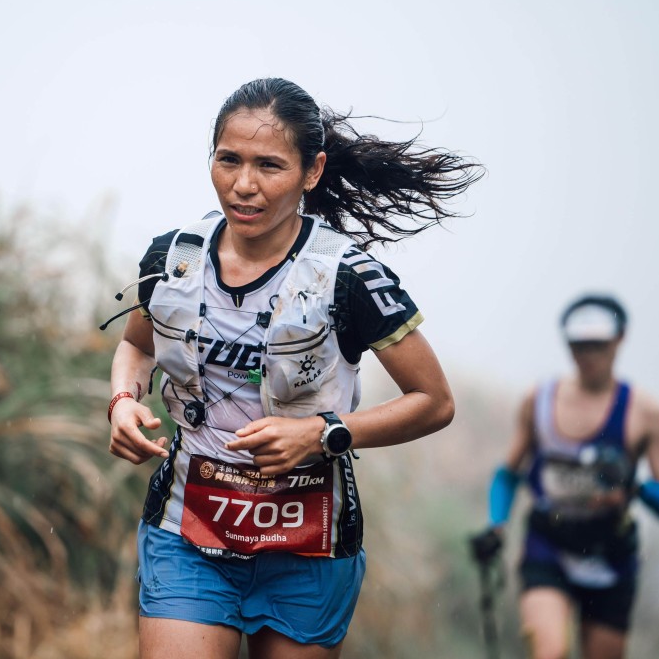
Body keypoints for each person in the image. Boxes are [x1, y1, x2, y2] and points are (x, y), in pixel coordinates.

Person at [105, 77, 483, 659]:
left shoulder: (348, 277)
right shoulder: (174, 258)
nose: (243, 185)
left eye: (269, 166)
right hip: (190, 532)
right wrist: (124, 402)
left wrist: (323, 432)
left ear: (312, 171)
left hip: (308, 541)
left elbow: (435, 401)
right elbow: (137, 345)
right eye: (228, 160)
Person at [477, 294, 659, 659]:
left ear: (619, 340)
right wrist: (496, 525)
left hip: (611, 555)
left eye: (597, 344)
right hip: (548, 544)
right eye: (577, 344)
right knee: (551, 652)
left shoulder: (647, 413)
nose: (586, 354)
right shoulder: (538, 400)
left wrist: (634, 487)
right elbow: (508, 474)